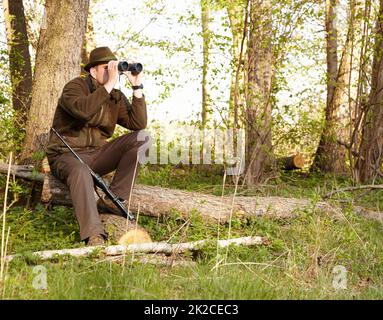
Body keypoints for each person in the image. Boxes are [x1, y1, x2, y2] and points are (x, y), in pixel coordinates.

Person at [46, 46, 149, 246]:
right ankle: (94, 235)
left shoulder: (115, 96)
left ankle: (112, 201)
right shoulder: (75, 87)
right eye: (106, 68)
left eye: (115, 68)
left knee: (142, 139)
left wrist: (137, 87)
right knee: (81, 171)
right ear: (93, 70)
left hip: (96, 154)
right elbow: (83, 111)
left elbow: (138, 124)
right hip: (66, 154)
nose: (112, 72)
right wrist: (109, 84)